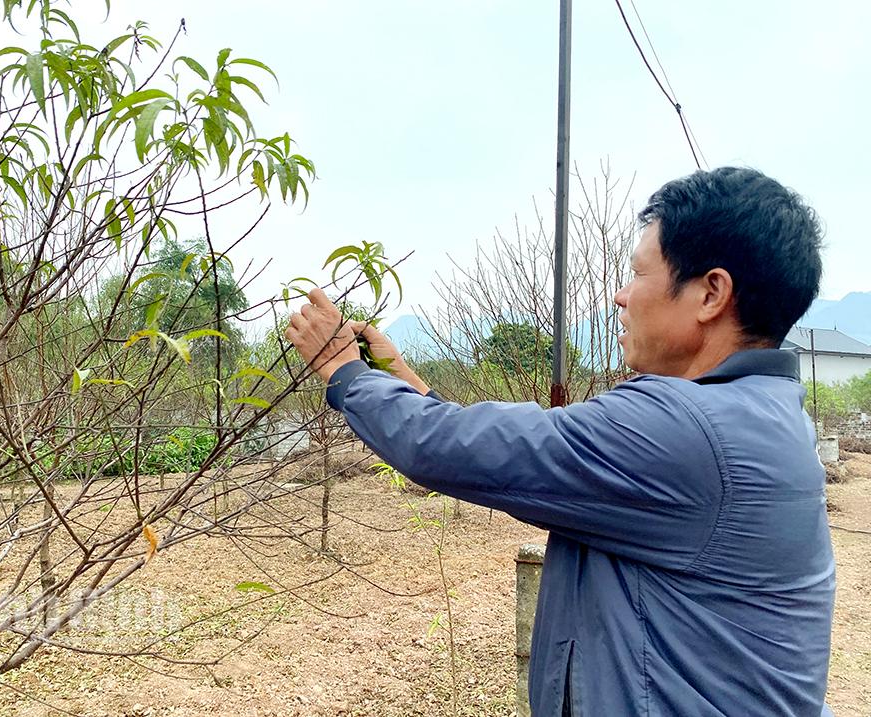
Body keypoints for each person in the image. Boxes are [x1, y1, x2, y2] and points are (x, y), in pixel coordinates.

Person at [285, 167, 835, 716]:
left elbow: (458, 447)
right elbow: (541, 464)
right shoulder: (760, 414)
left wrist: (345, 373)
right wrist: (408, 383)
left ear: (711, 292)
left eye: (639, 274)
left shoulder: (687, 428)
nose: (620, 297)